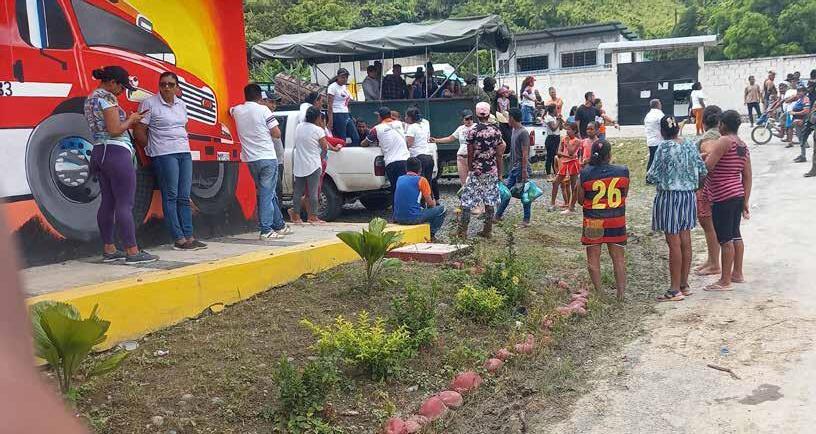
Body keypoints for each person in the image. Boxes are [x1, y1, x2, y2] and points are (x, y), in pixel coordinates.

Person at [83, 66, 158, 264]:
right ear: (112, 82)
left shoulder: (90, 98)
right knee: (125, 204)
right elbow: (115, 129)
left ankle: (109, 249)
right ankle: (132, 251)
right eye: (121, 87)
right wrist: (132, 119)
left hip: (99, 152)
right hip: (116, 152)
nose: (122, 92)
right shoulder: (107, 98)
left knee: (108, 202)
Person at [134, 72, 205, 251]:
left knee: (184, 196)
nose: (166, 87)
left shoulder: (181, 104)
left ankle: (189, 236)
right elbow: (139, 131)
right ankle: (179, 239)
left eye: (170, 84)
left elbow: (184, 127)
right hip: (164, 154)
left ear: (177, 87)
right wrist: (151, 150)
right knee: (171, 195)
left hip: (184, 152)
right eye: (163, 84)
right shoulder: (150, 103)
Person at [646, 115, 707, 301]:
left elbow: (652, 175)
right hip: (688, 196)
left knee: (673, 243)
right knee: (685, 240)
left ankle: (674, 290)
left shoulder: (664, 147)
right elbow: (702, 170)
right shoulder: (689, 144)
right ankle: (684, 284)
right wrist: (694, 186)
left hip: (670, 197)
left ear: (662, 131)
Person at [230, 83, 291, 239]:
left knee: (268, 193)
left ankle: (279, 225)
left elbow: (230, 111)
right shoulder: (264, 110)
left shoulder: (237, 110)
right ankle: (266, 229)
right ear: (260, 96)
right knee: (266, 195)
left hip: (250, 160)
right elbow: (276, 133)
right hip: (267, 158)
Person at [702, 110, 752, 291]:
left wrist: (703, 159)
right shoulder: (742, 145)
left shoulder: (724, 141)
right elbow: (747, 175)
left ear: (722, 124)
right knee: (735, 234)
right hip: (737, 194)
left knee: (725, 239)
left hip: (722, 195)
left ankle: (724, 281)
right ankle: (737, 273)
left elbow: (708, 167)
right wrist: (745, 200)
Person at [575, 140, 629, 300]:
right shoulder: (623, 171)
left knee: (593, 259)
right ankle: (621, 294)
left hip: (593, 221)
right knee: (618, 259)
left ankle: (600, 294)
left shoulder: (585, 173)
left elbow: (580, 200)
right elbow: (624, 194)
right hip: (616, 219)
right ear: (609, 154)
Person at [457, 102, 505, 239]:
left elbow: (470, 152)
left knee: (467, 200)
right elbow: (499, 154)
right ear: (489, 115)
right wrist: (500, 173)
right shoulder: (496, 131)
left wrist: (470, 168)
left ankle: (462, 231)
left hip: (476, 170)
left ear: (477, 115)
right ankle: (487, 230)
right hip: (491, 170)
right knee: (489, 200)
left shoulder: (472, 131)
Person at [290, 106, 333, 224]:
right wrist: (321, 157)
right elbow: (325, 147)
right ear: (318, 117)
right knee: (313, 192)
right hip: (313, 164)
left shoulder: (299, 127)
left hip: (299, 164)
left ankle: (296, 217)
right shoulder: (318, 130)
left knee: (298, 192)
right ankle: (312, 216)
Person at [695, 105, 723, 276]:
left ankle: (714, 263)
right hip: (719, 186)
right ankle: (711, 259)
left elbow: (710, 154)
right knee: (711, 226)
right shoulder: (722, 136)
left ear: (704, 122)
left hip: (706, 186)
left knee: (708, 225)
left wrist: (701, 159)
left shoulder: (709, 138)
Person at [393, 157, 447, 238]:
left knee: (420, 208)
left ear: (406, 168)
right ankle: (431, 233)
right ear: (420, 169)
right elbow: (430, 204)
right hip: (412, 218)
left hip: (397, 218)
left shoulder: (399, 179)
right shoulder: (421, 180)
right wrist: (434, 202)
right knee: (442, 209)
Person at [495, 108, 532, 226]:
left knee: (524, 193)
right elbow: (515, 149)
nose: (507, 120)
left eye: (508, 117)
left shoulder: (523, 132)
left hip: (520, 167)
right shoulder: (514, 131)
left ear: (512, 118)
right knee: (507, 192)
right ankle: (497, 215)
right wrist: (508, 155)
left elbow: (525, 153)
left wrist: (524, 170)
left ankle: (526, 220)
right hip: (514, 168)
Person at [362, 106, 410, 196]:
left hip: (391, 163)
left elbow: (364, 143)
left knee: (395, 189)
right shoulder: (401, 124)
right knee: (406, 187)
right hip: (406, 161)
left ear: (380, 117)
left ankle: (397, 205)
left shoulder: (376, 129)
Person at [430, 110, 475, 186]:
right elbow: (450, 138)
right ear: (463, 120)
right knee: (464, 183)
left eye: (471, 118)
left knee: (474, 181)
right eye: (467, 119)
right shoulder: (460, 129)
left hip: (473, 157)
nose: (469, 121)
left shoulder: (476, 127)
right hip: (461, 157)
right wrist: (436, 140)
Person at [404, 107, 437, 199]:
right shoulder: (425, 124)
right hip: (429, 156)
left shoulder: (411, 128)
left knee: (420, 183)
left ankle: (421, 204)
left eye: (406, 116)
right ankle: (431, 202)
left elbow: (409, 144)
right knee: (428, 182)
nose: (405, 118)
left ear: (410, 118)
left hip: (419, 157)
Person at [551, 122, 581, 214]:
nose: (567, 131)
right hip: (565, 163)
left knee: (573, 185)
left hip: (573, 164)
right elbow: (558, 152)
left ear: (574, 131)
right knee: (556, 182)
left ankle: (571, 205)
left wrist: (567, 143)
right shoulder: (563, 139)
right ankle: (552, 203)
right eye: (566, 129)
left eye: (569, 129)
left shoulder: (577, 141)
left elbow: (571, 152)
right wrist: (567, 156)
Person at [327, 68, 359, 145]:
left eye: (346, 77)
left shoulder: (344, 87)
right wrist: (330, 120)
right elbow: (329, 105)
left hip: (346, 113)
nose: (345, 79)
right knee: (342, 138)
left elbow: (346, 102)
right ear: (338, 77)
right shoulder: (332, 87)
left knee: (356, 137)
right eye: (343, 77)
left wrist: (350, 115)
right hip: (337, 114)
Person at [643, 99, 664, 172]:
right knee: (659, 159)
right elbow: (664, 124)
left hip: (650, 140)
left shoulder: (648, 115)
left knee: (652, 158)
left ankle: (649, 175)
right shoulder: (659, 114)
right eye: (660, 103)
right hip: (659, 140)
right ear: (658, 105)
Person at [542, 104, 561, 180]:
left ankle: (556, 173)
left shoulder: (554, 118)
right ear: (553, 110)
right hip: (551, 138)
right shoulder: (549, 118)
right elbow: (553, 128)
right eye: (556, 108)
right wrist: (558, 120)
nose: (557, 110)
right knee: (550, 157)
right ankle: (548, 174)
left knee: (555, 157)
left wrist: (560, 121)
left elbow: (560, 128)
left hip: (556, 138)